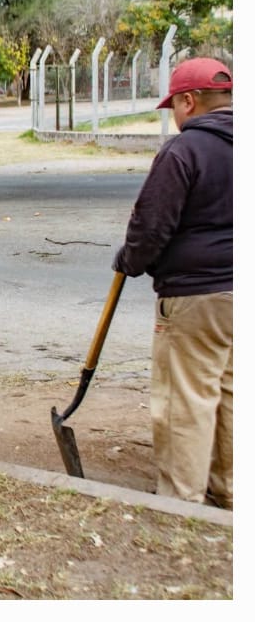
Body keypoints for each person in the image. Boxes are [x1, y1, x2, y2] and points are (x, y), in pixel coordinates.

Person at [113, 57, 232, 508]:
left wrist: (130, 259)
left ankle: (183, 505)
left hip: (196, 297)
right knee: (231, 394)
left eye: (174, 106)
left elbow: (149, 230)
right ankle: (229, 493)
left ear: (189, 100)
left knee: (188, 401)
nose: (175, 116)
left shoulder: (184, 150)